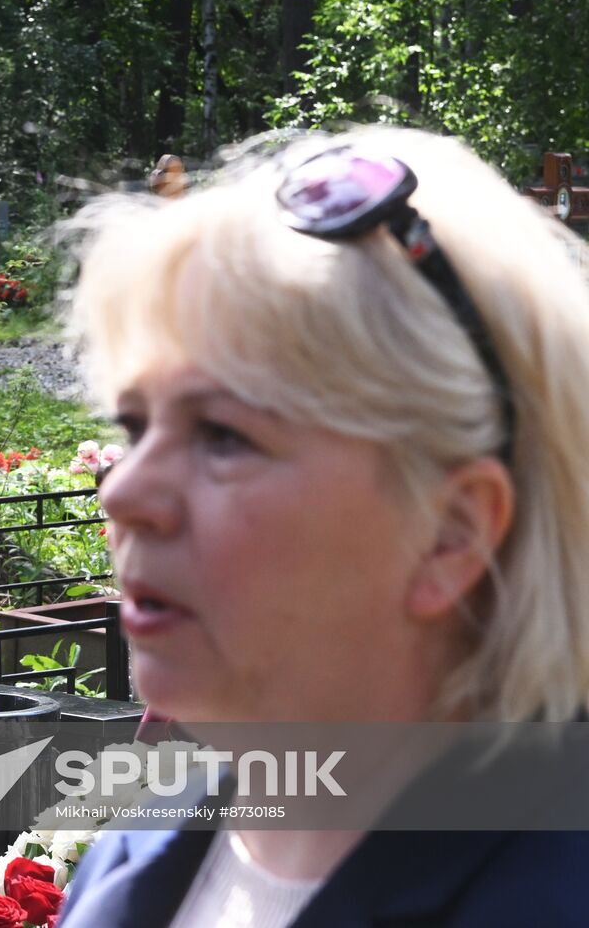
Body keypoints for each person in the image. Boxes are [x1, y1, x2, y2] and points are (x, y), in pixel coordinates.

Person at [58, 127, 589, 927]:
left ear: (452, 533)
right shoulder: (134, 851)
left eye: (223, 435)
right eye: (136, 427)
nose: (124, 491)